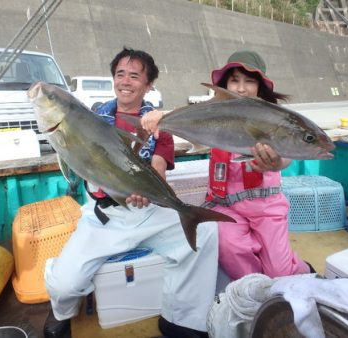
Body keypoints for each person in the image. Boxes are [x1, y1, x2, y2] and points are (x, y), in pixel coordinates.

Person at [43, 47, 218, 338]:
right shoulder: (91, 117)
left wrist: (147, 191)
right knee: (65, 285)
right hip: (104, 218)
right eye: (120, 74)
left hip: (148, 210)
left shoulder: (160, 125)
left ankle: (181, 317)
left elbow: (158, 168)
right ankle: (61, 312)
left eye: (135, 76)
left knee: (208, 231)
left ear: (148, 85)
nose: (125, 81)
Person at [141, 50, 313, 282]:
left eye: (249, 81)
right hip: (226, 206)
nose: (241, 88)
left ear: (260, 87)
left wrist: (275, 163)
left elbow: (287, 156)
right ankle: (255, 288)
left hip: (266, 206)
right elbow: (188, 117)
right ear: (225, 84)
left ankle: (302, 270)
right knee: (231, 248)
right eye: (234, 80)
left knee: (280, 272)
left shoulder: (273, 118)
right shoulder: (215, 111)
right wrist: (160, 117)